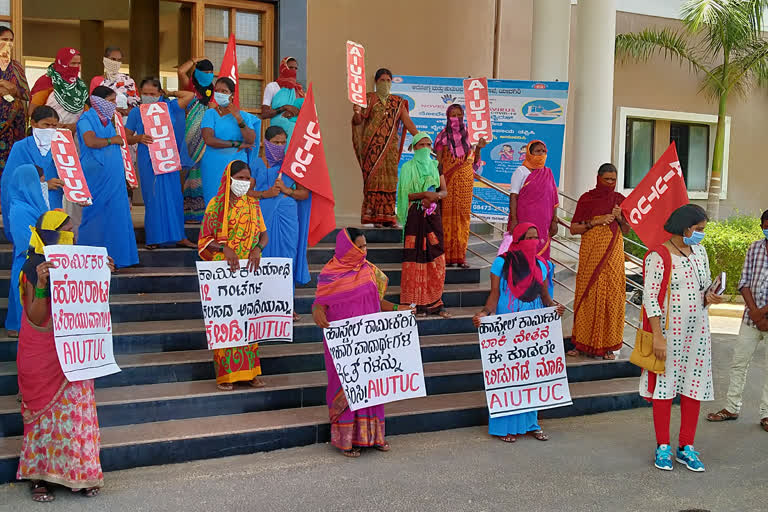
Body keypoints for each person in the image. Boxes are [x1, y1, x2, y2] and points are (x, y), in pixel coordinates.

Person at [16, 211, 111, 502]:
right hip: (42, 354)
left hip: (75, 353)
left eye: (74, 230)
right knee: (43, 419)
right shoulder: (33, 267)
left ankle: (81, 473)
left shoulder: (80, 264)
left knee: (77, 414)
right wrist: (43, 283)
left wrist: (102, 272)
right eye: (66, 231)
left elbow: (92, 301)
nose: (74, 236)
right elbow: (35, 316)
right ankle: (39, 478)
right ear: (50, 236)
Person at [312, 228, 409, 457]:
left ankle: (373, 436)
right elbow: (320, 302)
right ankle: (346, 440)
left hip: (368, 342)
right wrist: (317, 311)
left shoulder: (369, 271)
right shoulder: (330, 273)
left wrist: (398, 309)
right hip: (343, 344)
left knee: (370, 386)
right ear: (348, 247)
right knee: (346, 386)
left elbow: (378, 301)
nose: (365, 251)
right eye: (360, 246)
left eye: (366, 246)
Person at [642, 204, 722, 472]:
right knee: (664, 389)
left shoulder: (700, 252)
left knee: (693, 387)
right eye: (699, 230)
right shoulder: (659, 255)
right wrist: (658, 338)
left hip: (698, 332)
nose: (701, 235)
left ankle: (686, 446)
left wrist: (710, 295)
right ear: (685, 227)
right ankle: (662, 446)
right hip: (669, 333)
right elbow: (650, 298)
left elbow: (703, 286)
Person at [472, 223, 564, 443]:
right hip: (508, 323)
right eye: (529, 238)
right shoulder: (502, 263)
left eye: (536, 238)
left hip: (533, 323)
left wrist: (554, 308)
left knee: (530, 373)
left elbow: (545, 297)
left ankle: (531, 423)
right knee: (509, 373)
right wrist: (484, 313)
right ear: (518, 240)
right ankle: (505, 427)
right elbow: (494, 295)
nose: (534, 242)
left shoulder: (542, 265)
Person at [198, 160, 269, 391]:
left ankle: (251, 373)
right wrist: (223, 248)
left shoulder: (253, 205)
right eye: (239, 178)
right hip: (224, 272)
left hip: (248, 271)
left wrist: (258, 248)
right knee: (227, 322)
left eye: (247, 178)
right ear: (229, 178)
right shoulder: (216, 205)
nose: (243, 182)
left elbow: (263, 235)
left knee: (249, 321)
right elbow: (204, 239)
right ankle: (226, 376)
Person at [706, 209, 768, 432]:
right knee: (739, 363)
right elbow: (744, 282)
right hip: (750, 319)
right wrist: (755, 313)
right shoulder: (755, 248)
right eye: (767, 226)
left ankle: (767, 414)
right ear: (762, 227)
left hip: (763, 318)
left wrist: (763, 314)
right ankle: (731, 407)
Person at [567, 164, 630, 359]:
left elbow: (627, 230)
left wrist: (619, 218)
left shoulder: (620, 200)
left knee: (611, 295)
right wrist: (595, 221)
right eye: (607, 180)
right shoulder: (587, 199)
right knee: (587, 294)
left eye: (613, 180)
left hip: (613, 254)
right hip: (590, 253)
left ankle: (608, 346)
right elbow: (573, 228)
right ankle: (580, 343)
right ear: (598, 178)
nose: (610, 184)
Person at [124, 78, 196, 249]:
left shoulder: (169, 107)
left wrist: (169, 94)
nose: (148, 97)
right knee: (153, 197)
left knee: (174, 197)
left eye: (153, 94)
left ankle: (179, 236)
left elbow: (190, 95)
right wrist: (138, 138)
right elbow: (125, 137)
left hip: (168, 157)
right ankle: (154, 238)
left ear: (160, 94)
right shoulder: (136, 112)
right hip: (147, 158)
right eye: (145, 94)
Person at [249, 126, 310, 320]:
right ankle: (261, 305)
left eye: (283, 142)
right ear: (266, 143)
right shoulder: (255, 163)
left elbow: (304, 193)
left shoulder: (292, 164)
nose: (280, 146)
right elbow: (244, 191)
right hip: (261, 216)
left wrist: (286, 189)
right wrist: (264, 194)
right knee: (262, 259)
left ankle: (285, 306)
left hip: (287, 217)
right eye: (276, 142)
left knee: (286, 260)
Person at [76, 86, 138, 269]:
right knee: (95, 215)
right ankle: (89, 259)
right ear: (99, 101)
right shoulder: (86, 119)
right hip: (97, 176)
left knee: (117, 214)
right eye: (111, 101)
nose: (114, 105)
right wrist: (113, 141)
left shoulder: (109, 121)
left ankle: (119, 257)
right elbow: (90, 141)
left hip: (114, 177)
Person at [352, 68, 418, 227]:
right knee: (373, 181)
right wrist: (356, 112)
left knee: (389, 182)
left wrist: (419, 137)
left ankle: (388, 216)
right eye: (382, 80)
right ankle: (375, 218)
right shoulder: (367, 98)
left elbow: (407, 122)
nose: (385, 83)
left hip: (389, 150)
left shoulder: (398, 102)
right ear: (376, 82)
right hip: (371, 148)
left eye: (388, 80)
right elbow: (358, 121)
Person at [397, 132, 450, 318]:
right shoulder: (407, 168)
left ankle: (435, 303)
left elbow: (443, 191)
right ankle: (415, 304)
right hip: (415, 217)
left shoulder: (436, 166)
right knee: (414, 258)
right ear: (414, 148)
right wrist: (423, 195)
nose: (425, 149)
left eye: (428, 145)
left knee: (436, 256)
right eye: (421, 145)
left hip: (432, 216)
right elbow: (405, 195)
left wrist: (435, 196)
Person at [435, 104, 485, 268]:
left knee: (463, 219)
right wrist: (441, 184)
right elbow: (439, 163)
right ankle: (447, 257)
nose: (456, 118)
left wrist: (479, 147)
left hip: (465, 183)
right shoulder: (442, 136)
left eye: (460, 115)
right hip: (448, 183)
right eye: (453, 115)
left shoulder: (471, 137)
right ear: (447, 117)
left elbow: (475, 160)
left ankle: (460, 257)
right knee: (447, 220)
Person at [2, 106, 63, 238]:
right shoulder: (21, 147)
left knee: (54, 244)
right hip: (28, 207)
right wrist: (44, 185)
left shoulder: (61, 147)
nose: (50, 130)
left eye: (54, 126)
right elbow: (11, 182)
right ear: (34, 123)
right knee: (29, 246)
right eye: (46, 125)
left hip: (54, 203)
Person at [200, 77, 259, 207]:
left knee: (236, 204)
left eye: (224, 91)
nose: (220, 94)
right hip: (213, 165)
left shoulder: (243, 115)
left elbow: (250, 139)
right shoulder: (210, 114)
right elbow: (209, 139)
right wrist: (236, 144)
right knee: (214, 204)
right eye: (217, 91)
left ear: (232, 94)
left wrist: (238, 118)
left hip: (237, 166)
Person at [5, 165, 48, 337]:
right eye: (39, 181)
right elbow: (26, 241)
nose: (41, 185)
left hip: (36, 262)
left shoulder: (34, 204)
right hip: (28, 264)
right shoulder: (20, 209)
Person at [506, 140, 559, 260]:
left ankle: (540, 275)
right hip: (525, 218)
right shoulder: (520, 171)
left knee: (541, 248)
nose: (541, 154)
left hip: (544, 220)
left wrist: (554, 221)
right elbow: (514, 196)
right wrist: (514, 220)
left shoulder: (548, 172)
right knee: (525, 247)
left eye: (543, 151)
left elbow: (554, 200)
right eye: (537, 151)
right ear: (530, 153)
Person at [177, 58, 215, 223]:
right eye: (204, 72)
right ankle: (187, 211)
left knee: (202, 170)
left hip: (205, 133)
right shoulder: (190, 85)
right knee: (189, 168)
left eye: (210, 73)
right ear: (197, 72)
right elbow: (180, 71)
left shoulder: (213, 90)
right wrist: (193, 60)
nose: (208, 75)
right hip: (189, 132)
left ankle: (200, 211)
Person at [30, 47, 87, 132]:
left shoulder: (80, 86)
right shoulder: (47, 81)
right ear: (62, 63)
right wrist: (54, 125)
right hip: (48, 132)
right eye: (73, 63)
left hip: (74, 135)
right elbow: (32, 111)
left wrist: (74, 126)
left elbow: (86, 113)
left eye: (79, 63)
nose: (76, 67)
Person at [0, 26, 29, 182]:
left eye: (11, 40)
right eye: (4, 39)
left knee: (12, 170)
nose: (8, 43)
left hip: (14, 128)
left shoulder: (16, 67)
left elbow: (26, 94)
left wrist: (12, 89)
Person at [260, 57, 304, 141]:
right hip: (277, 132)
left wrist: (292, 112)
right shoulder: (273, 86)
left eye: (296, 68)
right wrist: (284, 107)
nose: (293, 70)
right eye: (290, 67)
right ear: (283, 67)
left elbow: (303, 110)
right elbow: (264, 114)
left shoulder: (298, 89)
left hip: (295, 127)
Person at [88, 46, 139, 116]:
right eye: (113, 59)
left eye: (119, 60)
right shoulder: (96, 80)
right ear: (105, 60)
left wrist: (125, 111)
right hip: (104, 120)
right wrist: (113, 110)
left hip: (125, 120)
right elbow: (94, 104)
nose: (116, 63)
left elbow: (136, 103)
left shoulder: (128, 81)